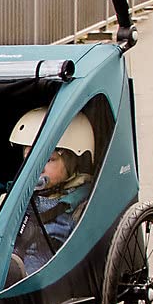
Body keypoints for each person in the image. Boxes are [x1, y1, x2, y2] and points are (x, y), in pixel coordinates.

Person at [8, 108, 96, 277]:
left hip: (48, 269)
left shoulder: (81, 201)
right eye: (29, 159)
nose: (36, 169)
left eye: (48, 160)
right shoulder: (19, 193)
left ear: (72, 161)